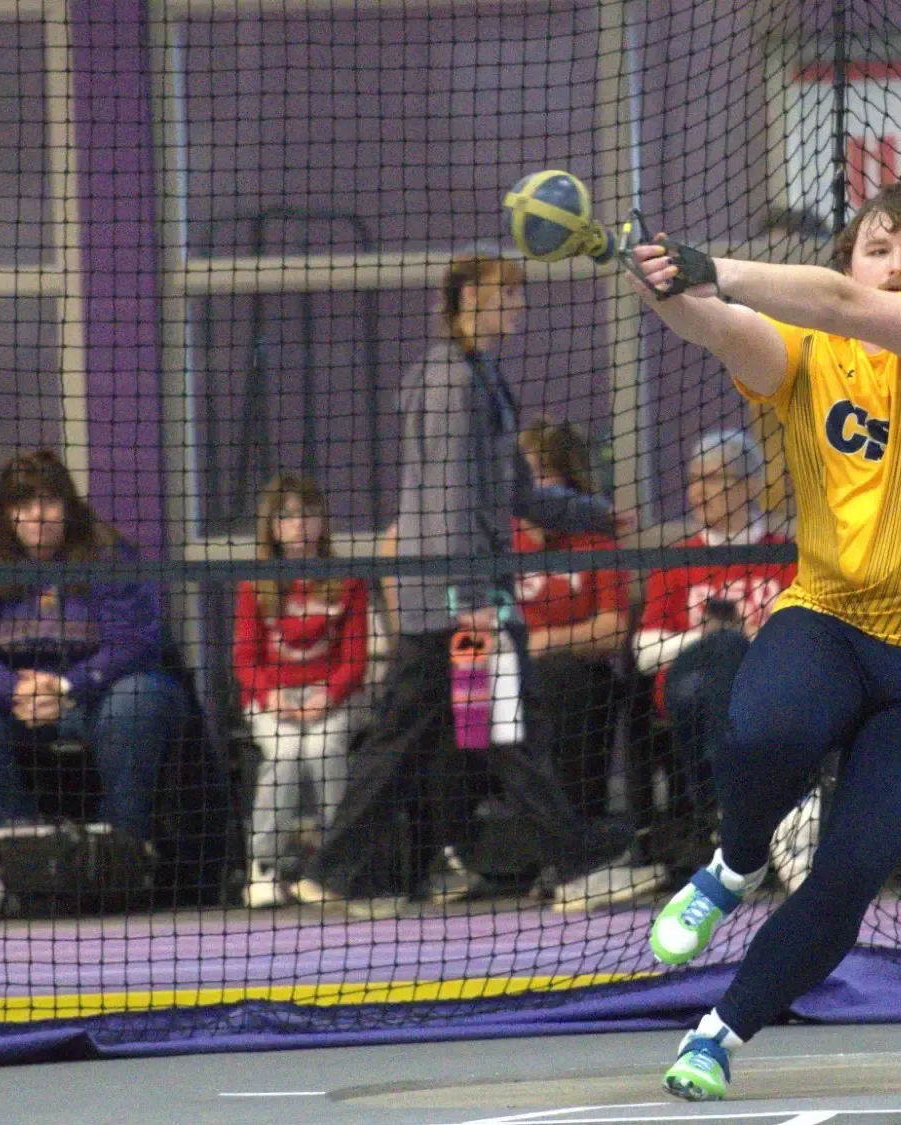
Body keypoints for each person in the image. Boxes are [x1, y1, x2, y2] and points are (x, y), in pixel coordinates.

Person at [623, 179, 901, 1101]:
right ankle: (732, 863)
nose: (895, 267)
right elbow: (728, 330)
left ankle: (719, 1030)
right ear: (848, 258)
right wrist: (670, 288)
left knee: (850, 869)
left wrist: (716, 266)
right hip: (835, 619)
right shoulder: (813, 349)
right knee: (762, 732)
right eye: (877, 249)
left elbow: (843, 303)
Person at [295, 250, 621, 906]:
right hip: (456, 605)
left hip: (453, 602)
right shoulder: (453, 385)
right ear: (469, 296)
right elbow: (446, 502)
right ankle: (573, 864)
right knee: (495, 730)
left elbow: (517, 493)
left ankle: (331, 870)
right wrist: (470, 603)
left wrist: (601, 514)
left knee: (481, 733)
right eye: (507, 294)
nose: (519, 306)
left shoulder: (483, 377)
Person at [0, 451, 186, 842]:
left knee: (139, 697)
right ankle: (18, 842)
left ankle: (121, 845)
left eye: (49, 501)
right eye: (24, 503)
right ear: (7, 513)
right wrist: (16, 689)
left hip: (97, 696)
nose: (37, 515)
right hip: (16, 702)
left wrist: (66, 687)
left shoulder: (107, 551)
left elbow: (134, 644)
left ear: (67, 506)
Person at [632, 430, 795, 888]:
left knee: (735, 656)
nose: (697, 492)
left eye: (712, 479)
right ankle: (747, 811)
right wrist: (705, 639)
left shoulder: (785, 555)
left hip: (771, 688)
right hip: (688, 692)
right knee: (722, 653)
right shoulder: (678, 559)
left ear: (746, 486)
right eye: (694, 480)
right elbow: (644, 652)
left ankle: (727, 813)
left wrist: (751, 639)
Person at [509, 420, 641, 911]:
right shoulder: (495, 538)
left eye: (545, 477)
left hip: (579, 675)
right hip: (504, 674)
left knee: (559, 680)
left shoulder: (592, 538)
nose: (536, 491)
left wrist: (545, 641)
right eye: (526, 479)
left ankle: (572, 853)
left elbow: (610, 629)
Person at [232, 472, 370, 908]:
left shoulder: (347, 580)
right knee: (286, 753)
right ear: (272, 526)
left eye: (308, 514)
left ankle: (337, 865)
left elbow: (355, 659)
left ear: (322, 522)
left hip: (332, 697)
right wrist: (272, 698)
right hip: (271, 700)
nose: (298, 525)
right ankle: (264, 868)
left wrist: (325, 696)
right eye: (287, 516)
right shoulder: (255, 583)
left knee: (325, 751)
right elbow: (245, 661)